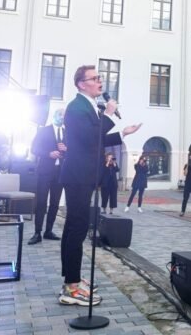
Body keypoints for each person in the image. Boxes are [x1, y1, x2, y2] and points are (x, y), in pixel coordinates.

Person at [59, 65, 141, 307]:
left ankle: (71, 279)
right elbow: (88, 138)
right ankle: (71, 287)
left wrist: (122, 134)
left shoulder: (88, 106)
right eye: (95, 79)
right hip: (78, 176)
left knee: (75, 227)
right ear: (81, 84)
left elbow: (97, 138)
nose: (100, 82)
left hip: (83, 175)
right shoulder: (77, 107)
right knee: (77, 228)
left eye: (100, 78)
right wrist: (107, 115)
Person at [28, 109, 65, 245]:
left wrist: (66, 150)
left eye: (64, 116)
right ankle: (37, 232)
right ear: (55, 116)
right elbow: (34, 149)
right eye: (61, 115)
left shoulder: (66, 132)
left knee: (55, 203)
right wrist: (49, 154)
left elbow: (72, 152)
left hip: (60, 172)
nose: (63, 117)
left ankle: (48, 231)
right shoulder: (44, 130)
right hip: (45, 171)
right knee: (41, 202)